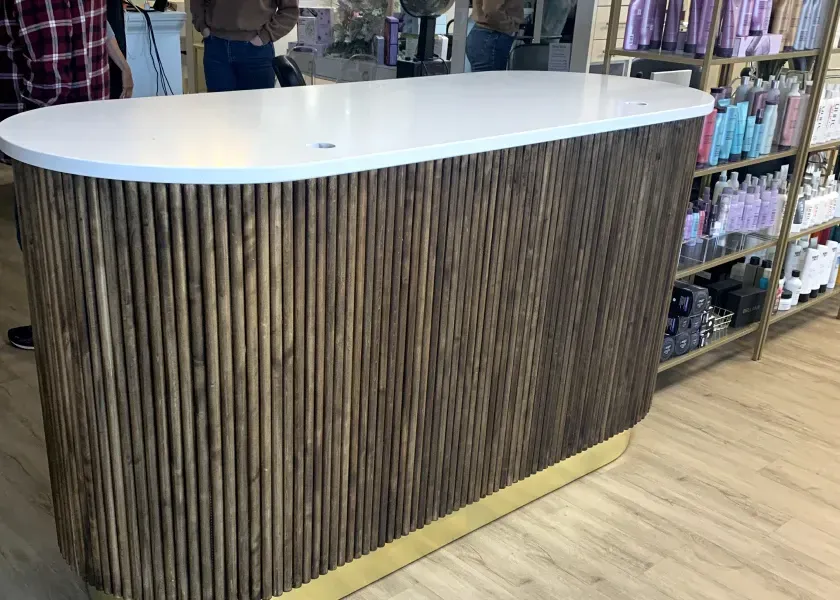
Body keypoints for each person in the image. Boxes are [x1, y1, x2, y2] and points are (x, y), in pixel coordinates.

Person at [1, 0, 132, 351]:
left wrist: (122, 65)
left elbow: (101, 25)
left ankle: (100, 319)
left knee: (97, 220)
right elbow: (12, 56)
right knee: (40, 227)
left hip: (94, 114)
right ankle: (54, 321)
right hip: (41, 121)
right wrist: (17, 133)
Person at [190, 0, 298, 93]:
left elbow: (290, 10)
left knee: (253, 112)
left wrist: (265, 36)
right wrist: (202, 26)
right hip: (217, 47)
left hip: (256, 52)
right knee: (219, 112)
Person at [466, 0, 524, 72]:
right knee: (490, 81)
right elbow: (492, 11)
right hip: (492, 35)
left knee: (485, 81)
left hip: (489, 35)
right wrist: (510, 26)